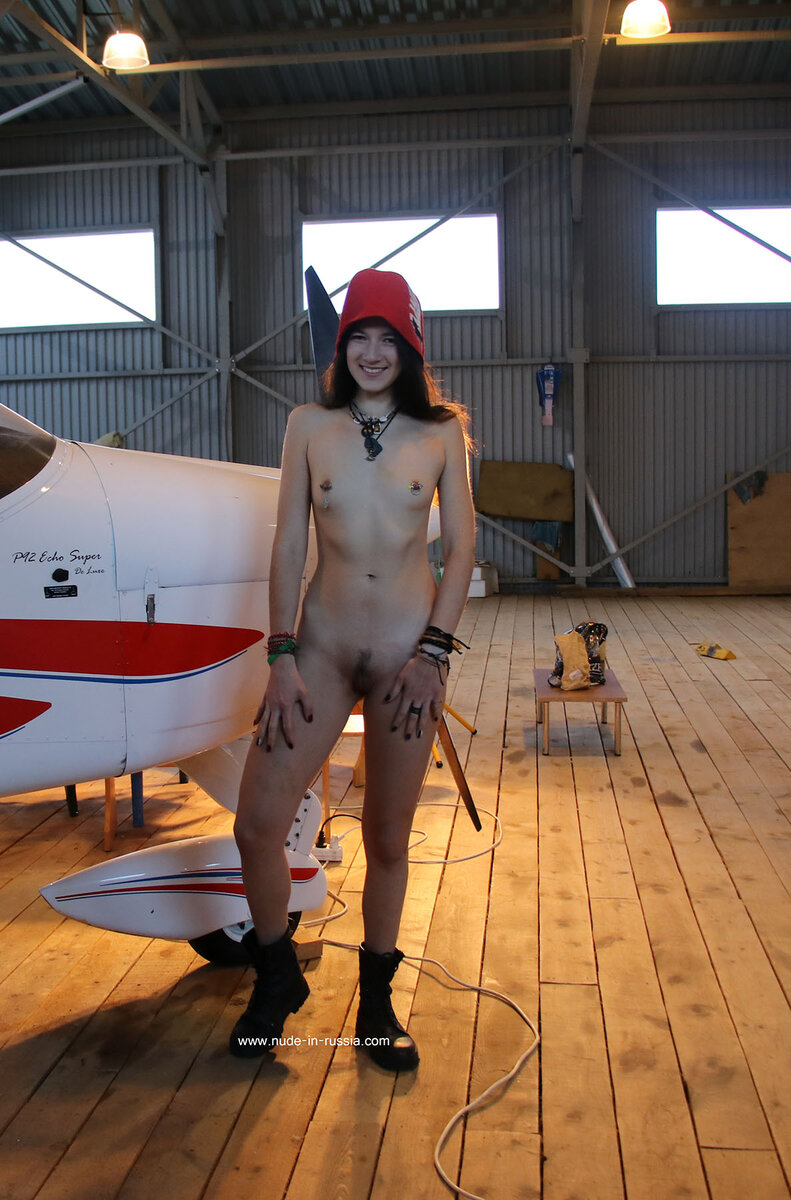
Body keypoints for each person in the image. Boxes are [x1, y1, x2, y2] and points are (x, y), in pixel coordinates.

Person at [228, 267, 475, 1071]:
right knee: (256, 826)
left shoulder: (441, 434)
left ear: (410, 348)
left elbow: (462, 550)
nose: (372, 352)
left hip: (408, 659)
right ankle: (275, 977)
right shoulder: (309, 425)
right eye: (358, 337)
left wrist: (434, 655)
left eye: (387, 338)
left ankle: (376, 1005)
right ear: (342, 347)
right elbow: (288, 545)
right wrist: (280, 654)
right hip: (323, 652)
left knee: (387, 838)